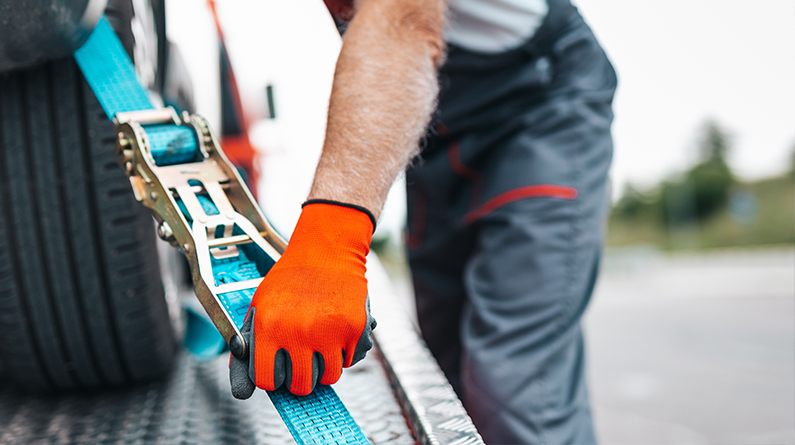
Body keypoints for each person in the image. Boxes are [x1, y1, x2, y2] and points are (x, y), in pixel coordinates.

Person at [229, 0, 616, 443]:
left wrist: (328, 246)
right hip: (438, 126)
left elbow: (402, 19)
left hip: (538, 103)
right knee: (447, 375)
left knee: (511, 390)